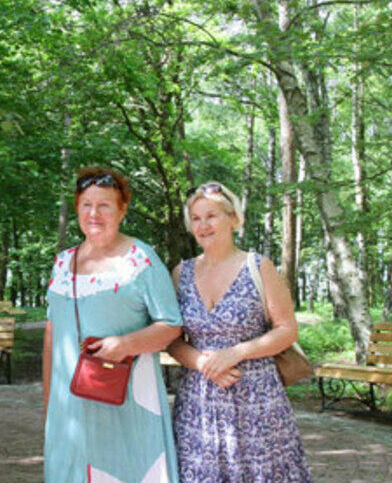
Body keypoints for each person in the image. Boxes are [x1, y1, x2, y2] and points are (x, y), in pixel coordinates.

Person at [43, 166, 184, 483]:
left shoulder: (141, 259)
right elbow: (52, 337)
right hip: (70, 410)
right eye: (86, 205)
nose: (94, 214)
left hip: (128, 404)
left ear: (122, 210)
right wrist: (51, 406)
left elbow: (171, 325)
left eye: (104, 205)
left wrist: (124, 345)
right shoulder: (62, 263)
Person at [167, 181, 314, 483]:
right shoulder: (181, 274)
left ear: (233, 219)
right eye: (196, 218)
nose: (203, 225)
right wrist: (202, 363)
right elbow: (171, 340)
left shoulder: (258, 267)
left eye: (212, 216)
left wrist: (235, 353)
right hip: (199, 403)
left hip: (256, 401)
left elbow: (287, 330)